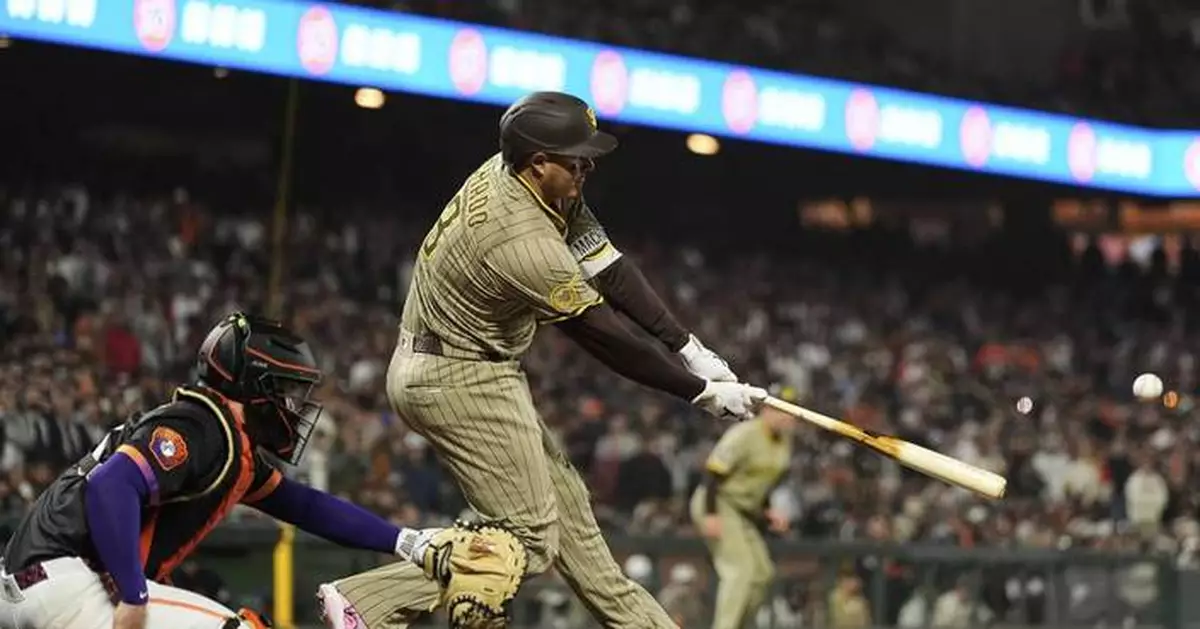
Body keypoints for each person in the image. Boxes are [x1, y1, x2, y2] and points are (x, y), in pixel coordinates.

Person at [317, 91, 767, 629]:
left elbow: (609, 267)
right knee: (528, 542)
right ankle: (367, 599)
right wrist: (699, 393)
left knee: (580, 541)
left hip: (473, 366)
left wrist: (688, 347)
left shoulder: (535, 179)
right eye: (576, 159)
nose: (588, 166)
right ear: (538, 164)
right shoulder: (519, 238)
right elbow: (601, 334)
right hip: (455, 377)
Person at [0, 313, 429, 629]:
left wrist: (408, 542)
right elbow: (110, 486)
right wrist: (134, 594)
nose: (295, 407)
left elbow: (306, 505)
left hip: (36, 587)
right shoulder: (202, 426)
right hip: (69, 585)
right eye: (286, 390)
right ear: (256, 386)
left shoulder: (222, 437)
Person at [690, 385, 797, 629]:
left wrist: (768, 510)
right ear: (766, 410)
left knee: (762, 573)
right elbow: (713, 473)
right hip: (717, 502)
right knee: (740, 571)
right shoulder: (745, 434)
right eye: (780, 410)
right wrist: (710, 514)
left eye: (789, 412)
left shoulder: (785, 442)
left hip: (743, 510)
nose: (786, 417)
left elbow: (763, 483)